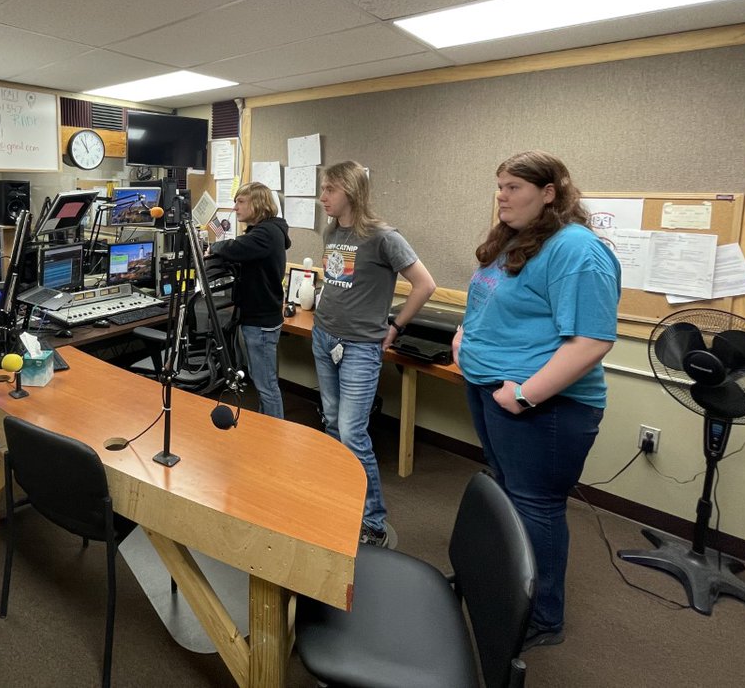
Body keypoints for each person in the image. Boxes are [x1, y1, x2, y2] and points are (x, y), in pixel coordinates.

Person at [454, 150, 621, 651]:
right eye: (499, 186)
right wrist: (465, 338)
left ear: (549, 193)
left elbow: (592, 341)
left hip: (544, 407)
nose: (501, 196)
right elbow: (493, 302)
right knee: (508, 493)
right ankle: (508, 586)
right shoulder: (516, 239)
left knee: (537, 507)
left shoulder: (576, 250)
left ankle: (542, 615)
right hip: (492, 389)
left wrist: (524, 396)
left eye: (513, 188)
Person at [312, 161, 436, 549]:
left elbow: (424, 284)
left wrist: (395, 327)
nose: (322, 198)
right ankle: (342, 498)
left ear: (349, 189)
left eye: (329, 190)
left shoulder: (384, 236)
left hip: (360, 347)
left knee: (352, 431)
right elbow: (339, 283)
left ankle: (374, 520)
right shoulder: (333, 231)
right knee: (331, 423)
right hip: (324, 336)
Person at [209, 182, 292, 418]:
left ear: (257, 203)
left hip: (261, 322)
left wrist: (213, 247)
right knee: (262, 382)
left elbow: (234, 247)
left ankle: (274, 436)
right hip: (261, 318)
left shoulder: (265, 234)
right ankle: (266, 427)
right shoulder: (268, 231)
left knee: (266, 386)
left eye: (241, 202)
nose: (235, 208)